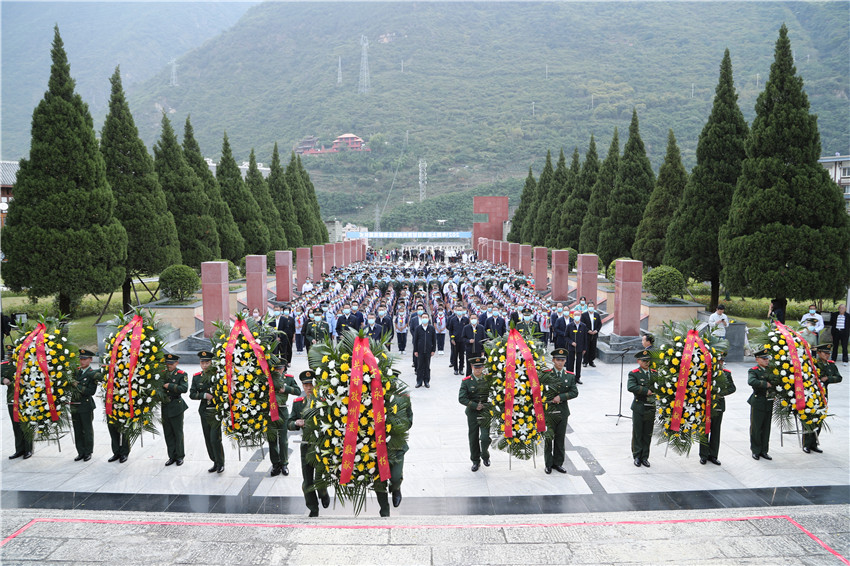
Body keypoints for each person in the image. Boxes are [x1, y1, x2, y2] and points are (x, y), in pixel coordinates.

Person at [288, 370, 330, 517]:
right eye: (306, 385)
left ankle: (323, 492)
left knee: (320, 476)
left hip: (321, 445)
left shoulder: (323, 402)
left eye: (311, 384)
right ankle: (313, 508)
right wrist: (296, 423)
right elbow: (289, 423)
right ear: (302, 386)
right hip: (306, 445)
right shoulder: (298, 404)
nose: (309, 388)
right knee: (307, 481)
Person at [542, 348, 578, 474]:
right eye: (558, 360)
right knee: (548, 438)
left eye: (562, 360)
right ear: (553, 360)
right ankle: (548, 463)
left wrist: (561, 397)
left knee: (560, 439)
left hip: (562, 412)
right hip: (549, 412)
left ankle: (558, 463)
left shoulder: (569, 375)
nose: (560, 362)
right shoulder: (546, 374)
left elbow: (574, 392)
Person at [189, 350, 225, 473]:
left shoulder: (218, 375)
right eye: (202, 362)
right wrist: (204, 395)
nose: (204, 365)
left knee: (215, 438)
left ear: (211, 362)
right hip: (204, 410)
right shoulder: (196, 377)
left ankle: (221, 463)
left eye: (207, 362)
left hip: (215, 411)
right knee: (208, 439)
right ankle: (214, 461)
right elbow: (192, 394)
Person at [804, 344, 843, 453]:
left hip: (823, 395)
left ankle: (814, 443)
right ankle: (806, 444)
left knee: (819, 418)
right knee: (810, 418)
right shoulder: (813, 364)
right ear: (819, 353)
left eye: (828, 353)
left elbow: (839, 377)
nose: (827, 355)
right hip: (812, 394)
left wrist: (828, 378)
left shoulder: (831, 365)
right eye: (825, 353)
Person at [699, 352, 735, 465]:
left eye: (721, 361)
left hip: (718, 405)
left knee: (716, 431)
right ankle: (703, 455)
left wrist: (720, 393)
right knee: (704, 431)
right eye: (717, 361)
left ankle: (713, 455)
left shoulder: (726, 373)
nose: (720, 363)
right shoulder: (705, 373)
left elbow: (732, 388)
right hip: (706, 405)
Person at [267, 362, 301, 476]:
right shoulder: (268, 377)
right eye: (275, 369)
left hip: (282, 411)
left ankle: (284, 464)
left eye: (279, 369)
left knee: (283, 440)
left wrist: (285, 389)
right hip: (270, 411)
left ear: (283, 368)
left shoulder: (288, 378)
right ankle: (275, 464)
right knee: (272, 440)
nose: (277, 371)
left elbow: (297, 391)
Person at [458, 356, 490, 472]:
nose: (478, 370)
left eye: (480, 367)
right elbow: (461, 398)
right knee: (473, 437)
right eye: (475, 367)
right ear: (472, 367)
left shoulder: (488, 379)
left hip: (485, 412)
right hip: (472, 413)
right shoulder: (466, 381)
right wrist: (474, 405)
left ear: (483, 367)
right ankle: (475, 461)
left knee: (485, 438)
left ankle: (485, 455)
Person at [2, 344, 33, 460]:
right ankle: (19, 449)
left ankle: (28, 449)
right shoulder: (5, 366)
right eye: (9, 355)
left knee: (26, 424)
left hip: (24, 398)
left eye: (12, 355)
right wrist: (2, 379)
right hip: (12, 399)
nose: (10, 357)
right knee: (16, 425)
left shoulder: (25, 365)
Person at [627, 349, 656, 467]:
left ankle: (645, 457)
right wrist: (645, 391)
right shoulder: (634, 373)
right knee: (638, 432)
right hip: (639, 406)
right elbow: (631, 387)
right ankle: (637, 456)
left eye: (648, 361)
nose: (646, 363)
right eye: (644, 361)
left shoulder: (654, 373)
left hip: (651, 407)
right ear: (638, 361)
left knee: (647, 433)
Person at [70, 349, 98, 462]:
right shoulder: (75, 372)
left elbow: (91, 391)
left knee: (87, 430)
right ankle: (80, 452)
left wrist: (77, 386)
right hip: (74, 404)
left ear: (90, 360)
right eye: (81, 359)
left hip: (85, 405)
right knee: (77, 429)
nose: (82, 361)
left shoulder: (92, 373)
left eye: (85, 359)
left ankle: (88, 452)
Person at [748, 349, 776, 461]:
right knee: (756, 427)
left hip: (768, 401)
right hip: (758, 401)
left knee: (766, 427)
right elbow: (751, 381)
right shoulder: (754, 370)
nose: (766, 360)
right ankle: (755, 450)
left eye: (767, 358)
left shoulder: (771, 370)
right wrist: (765, 384)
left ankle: (764, 450)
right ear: (757, 360)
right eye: (763, 359)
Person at [161, 353, 189, 466]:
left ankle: (180, 456)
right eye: (167, 363)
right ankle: (171, 456)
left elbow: (184, 388)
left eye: (171, 364)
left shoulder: (181, 374)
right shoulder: (162, 374)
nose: (169, 365)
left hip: (176, 406)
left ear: (176, 363)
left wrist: (170, 386)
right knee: (168, 433)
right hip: (165, 406)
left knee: (178, 432)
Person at [412, 312, 436, 388]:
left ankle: (426, 381)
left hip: (428, 350)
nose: (424, 319)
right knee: (419, 366)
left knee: (427, 366)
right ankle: (419, 381)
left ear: (428, 319)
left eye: (426, 317)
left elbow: (434, 340)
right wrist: (415, 350)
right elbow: (415, 340)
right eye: (423, 317)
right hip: (420, 351)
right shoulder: (418, 328)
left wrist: (433, 350)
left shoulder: (431, 328)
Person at [565, 311, 588, 384]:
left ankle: (577, 378)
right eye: (575, 315)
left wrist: (585, 348)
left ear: (580, 316)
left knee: (578, 364)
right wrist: (571, 342)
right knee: (570, 364)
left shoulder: (583, 326)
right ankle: (570, 378)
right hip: (571, 348)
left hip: (580, 348)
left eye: (578, 315)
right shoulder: (569, 325)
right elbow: (566, 337)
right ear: (573, 316)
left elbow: (585, 338)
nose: (577, 316)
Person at [448, 305, 469, 375]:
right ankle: (455, 369)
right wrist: (452, 339)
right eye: (458, 310)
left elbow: (467, 329)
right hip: (455, 341)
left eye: (460, 310)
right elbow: (450, 330)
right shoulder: (452, 320)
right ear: (456, 311)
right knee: (455, 355)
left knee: (462, 356)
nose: (459, 311)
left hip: (463, 341)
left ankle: (461, 369)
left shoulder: (466, 319)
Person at [581, 302, 602, 368]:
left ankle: (591, 361)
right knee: (586, 348)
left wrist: (596, 330)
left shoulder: (597, 315)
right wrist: (588, 330)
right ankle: (585, 361)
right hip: (587, 334)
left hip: (594, 334)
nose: (591, 307)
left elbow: (599, 324)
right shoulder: (584, 315)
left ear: (594, 307)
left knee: (593, 348)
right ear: (587, 307)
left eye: (592, 306)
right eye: (589, 306)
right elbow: (582, 324)